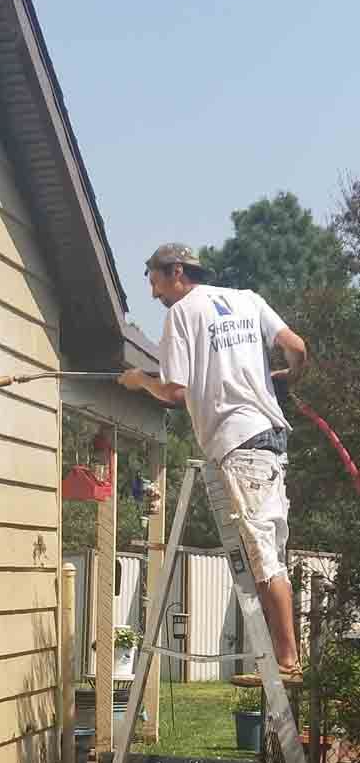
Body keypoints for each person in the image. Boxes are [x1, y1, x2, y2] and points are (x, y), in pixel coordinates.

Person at [117, 243, 307, 681]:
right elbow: (297, 347)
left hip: (238, 446)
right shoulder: (247, 299)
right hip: (270, 441)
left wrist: (138, 379)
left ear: (177, 272)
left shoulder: (182, 314)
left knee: (263, 558)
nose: (154, 293)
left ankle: (287, 663)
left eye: (154, 280)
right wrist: (283, 379)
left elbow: (174, 393)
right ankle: (287, 657)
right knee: (269, 551)